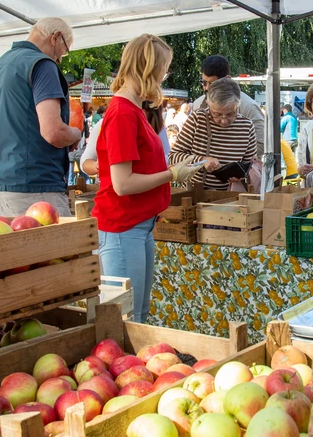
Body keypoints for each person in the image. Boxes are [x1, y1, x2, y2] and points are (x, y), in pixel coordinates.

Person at [93, 34, 202, 323]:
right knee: (126, 320)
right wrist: (172, 174)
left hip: (137, 225)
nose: (165, 75)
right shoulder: (123, 113)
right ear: (149, 69)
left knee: (137, 316)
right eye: (164, 68)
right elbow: (123, 183)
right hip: (123, 225)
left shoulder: (133, 110)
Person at [0, 17, 81, 217]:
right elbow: (53, 132)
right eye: (63, 51)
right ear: (56, 37)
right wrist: (75, 134)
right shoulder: (42, 65)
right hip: (36, 184)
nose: (59, 59)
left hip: (0, 180)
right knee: (56, 247)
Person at [170, 78, 258, 191]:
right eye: (217, 114)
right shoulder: (197, 120)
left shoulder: (247, 126)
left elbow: (251, 165)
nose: (224, 120)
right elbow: (174, 156)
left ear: (239, 104)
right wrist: (202, 161)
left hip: (230, 198)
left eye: (231, 113)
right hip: (195, 194)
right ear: (208, 104)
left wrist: (242, 175)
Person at [191, 55, 265, 157]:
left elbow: (261, 144)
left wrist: (229, 153)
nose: (207, 88)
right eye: (204, 83)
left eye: (213, 83)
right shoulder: (197, 104)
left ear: (227, 79)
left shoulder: (248, 107)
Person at [82, 101, 171, 177]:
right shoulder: (105, 125)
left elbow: (167, 157)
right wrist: (97, 165)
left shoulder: (159, 129)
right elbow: (85, 163)